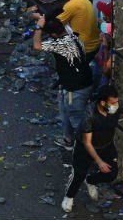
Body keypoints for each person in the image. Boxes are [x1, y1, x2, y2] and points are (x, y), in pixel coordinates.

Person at [61, 85, 123, 212]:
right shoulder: (89, 115)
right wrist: (99, 161)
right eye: (113, 103)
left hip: (106, 145)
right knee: (78, 174)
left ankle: (90, 180)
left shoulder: (118, 106)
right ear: (102, 102)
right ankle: (69, 197)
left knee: (111, 173)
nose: (116, 105)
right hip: (85, 147)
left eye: (117, 101)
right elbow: (87, 143)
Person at [32, 15, 93, 151]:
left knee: (75, 117)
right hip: (78, 82)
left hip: (75, 89)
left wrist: (39, 26)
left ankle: (85, 149)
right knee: (65, 111)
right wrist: (43, 18)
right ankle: (68, 139)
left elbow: (36, 45)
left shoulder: (61, 45)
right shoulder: (73, 35)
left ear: (53, 34)